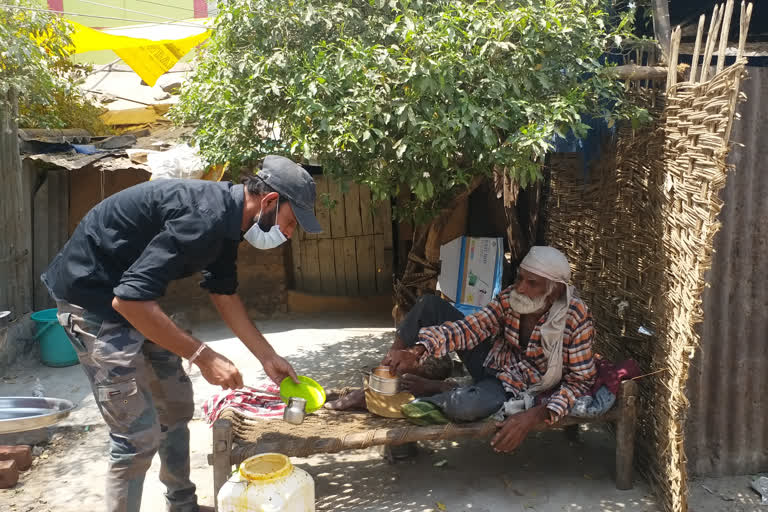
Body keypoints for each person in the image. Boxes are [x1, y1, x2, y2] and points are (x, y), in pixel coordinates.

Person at [42, 155, 322, 512]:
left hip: (133, 298)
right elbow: (128, 302)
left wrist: (268, 357)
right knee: (135, 436)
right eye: (291, 222)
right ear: (269, 202)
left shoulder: (228, 222)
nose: (288, 234)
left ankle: (183, 505)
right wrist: (204, 356)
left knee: (175, 408)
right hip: (92, 303)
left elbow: (223, 292)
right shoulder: (203, 218)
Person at [330, 246, 596, 454]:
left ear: (555, 290)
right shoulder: (510, 299)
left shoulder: (575, 318)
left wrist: (536, 414)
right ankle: (383, 383)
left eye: (532, 283)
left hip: (516, 386)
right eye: (520, 278)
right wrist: (418, 350)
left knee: (466, 407)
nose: (521, 288)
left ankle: (414, 396)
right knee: (429, 305)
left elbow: (580, 381)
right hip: (492, 360)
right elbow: (471, 328)